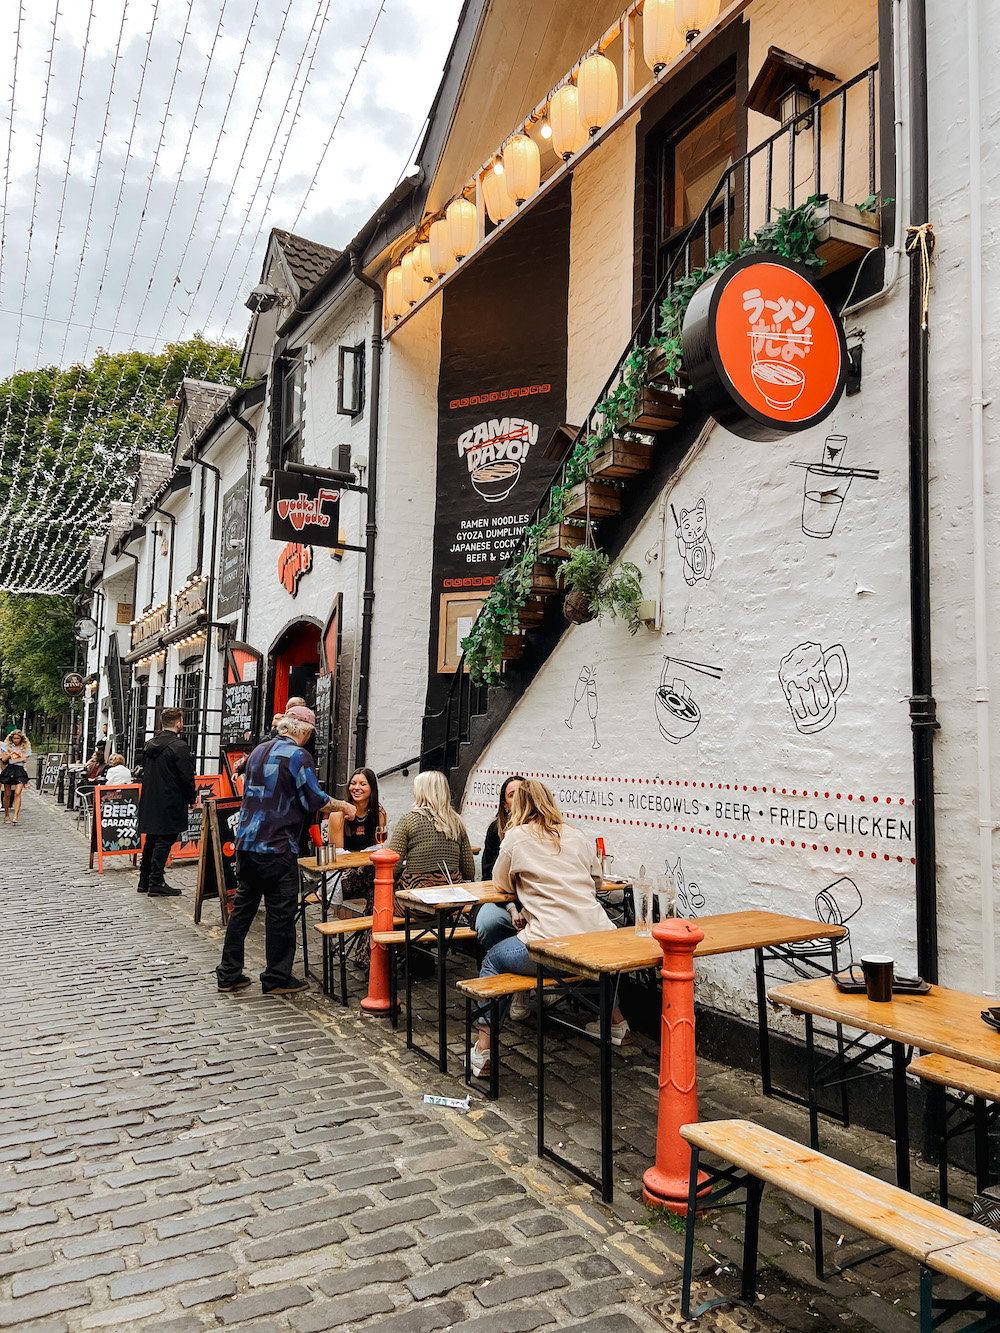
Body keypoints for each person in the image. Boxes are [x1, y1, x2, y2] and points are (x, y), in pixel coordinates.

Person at [470, 779, 629, 1079]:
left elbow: (500, 883)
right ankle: (617, 1024)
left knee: (493, 959)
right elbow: (597, 881)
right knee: (586, 962)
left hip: (550, 944)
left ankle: (483, 1049)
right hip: (595, 937)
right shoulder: (576, 835)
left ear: (519, 806)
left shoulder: (515, 836)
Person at [215, 705, 354, 996]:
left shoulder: (257, 752)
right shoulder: (298, 756)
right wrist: (344, 805)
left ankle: (229, 973)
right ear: (302, 731)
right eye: (310, 734)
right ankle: (277, 977)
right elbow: (314, 800)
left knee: (243, 910)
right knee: (281, 913)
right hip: (277, 846)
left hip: (247, 843)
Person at [330, 767, 387, 970]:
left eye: (363, 784)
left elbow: (380, 847)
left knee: (378, 895)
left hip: (369, 878)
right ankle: (370, 954)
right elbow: (337, 856)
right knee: (381, 889)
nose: (357, 788)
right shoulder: (338, 815)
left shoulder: (378, 814)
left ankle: (367, 954)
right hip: (343, 879)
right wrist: (364, 857)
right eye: (354, 783)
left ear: (371, 788)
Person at [136, 708, 196, 897]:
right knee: (166, 838)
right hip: (170, 798)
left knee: (153, 838)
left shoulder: (148, 745)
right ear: (179, 723)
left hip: (151, 797)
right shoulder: (179, 746)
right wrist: (191, 798)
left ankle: (144, 880)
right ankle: (156, 881)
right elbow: (186, 776)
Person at [389, 771, 475, 892]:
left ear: (420, 792)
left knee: (373, 893)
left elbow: (392, 867)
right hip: (452, 896)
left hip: (417, 895)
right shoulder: (456, 823)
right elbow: (469, 871)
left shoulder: (409, 820)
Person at [481, 774, 525, 880]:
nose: (518, 797)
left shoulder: (540, 827)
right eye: (511, 795)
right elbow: (488, 871)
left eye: (522, 792)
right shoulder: (496, 828)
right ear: (505, 804)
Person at [0, 730, 32, 825]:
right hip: (9, 769)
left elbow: (25, 760)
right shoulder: (7, 747)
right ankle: (6, 815)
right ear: (11, 739)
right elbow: (4, 759)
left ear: (21, 739)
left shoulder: (25, 748)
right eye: (14, 738)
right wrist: (10, 754)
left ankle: (15, 816)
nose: (16, 740)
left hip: (19, 770)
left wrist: (19, 755)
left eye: (18, 738)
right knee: (7, 794)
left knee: (18, 793)